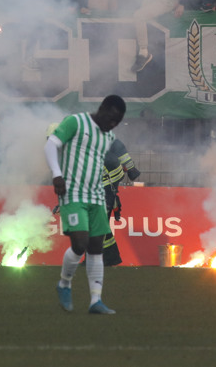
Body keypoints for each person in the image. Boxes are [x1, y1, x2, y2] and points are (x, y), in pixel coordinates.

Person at [44, 94, 126, 315]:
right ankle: (64, 283)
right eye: (111, 119)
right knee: (80, 243)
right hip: (73, 193)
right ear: (102, 109)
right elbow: (51, 145)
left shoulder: (108, 137)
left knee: (96, 248)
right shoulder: (75, 122)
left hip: (96, 196)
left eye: (117, 122)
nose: (113, 124)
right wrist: (57, 175)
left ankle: (95, 301)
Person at [101, 137, 142, 267]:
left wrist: (131, 169)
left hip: (106, 181)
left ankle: (101, 259)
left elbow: (119, 148)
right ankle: (108, 258)